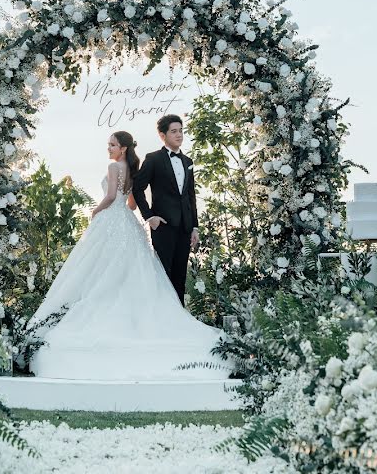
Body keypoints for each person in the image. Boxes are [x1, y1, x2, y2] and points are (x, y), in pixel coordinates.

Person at [27, 130, 228, 381]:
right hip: (127, 221)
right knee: (128, 268)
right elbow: (131, 204)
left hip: (111, 219)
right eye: (108, 145)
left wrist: (95, 211)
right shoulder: (133, 170)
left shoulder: (114, 169)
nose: (108, 149)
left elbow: (111, 197)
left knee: (98, 268)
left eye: (112, 145)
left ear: (122, 148)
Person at [131, 114, 198, 305]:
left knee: (180, 276)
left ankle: (179, 320)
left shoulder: (188, 161)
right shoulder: (153, 159)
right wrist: (149, 217)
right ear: (162, 135)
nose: (179, 135)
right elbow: (137, 188)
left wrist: (195, 227)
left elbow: (190, 195)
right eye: (174, 131)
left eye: (181, 131)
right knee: (163, 275)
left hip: (185, 226)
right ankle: (162, 321)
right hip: (163, 225)